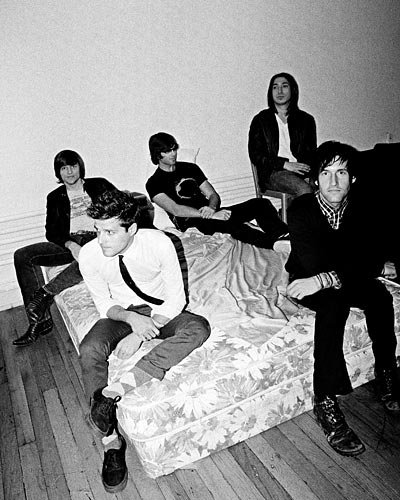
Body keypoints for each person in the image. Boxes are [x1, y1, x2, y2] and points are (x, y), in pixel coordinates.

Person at [79, 189, 210, 493]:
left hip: (161, 312)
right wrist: (130, 320)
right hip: (121, 314)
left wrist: (141, 334)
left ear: (132, 229)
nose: (101, 240)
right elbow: (103, 304)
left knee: (198, 328)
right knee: (90, 348)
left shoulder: (159, 243)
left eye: (110, 232)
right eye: (98, 230)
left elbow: (176, 299)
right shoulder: (89, 254)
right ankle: (111, 441)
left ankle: (114, 392)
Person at [285, 140, 400, 457]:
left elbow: (371, 256)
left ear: (353, 178)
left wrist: (334, 275)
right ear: (315, 179)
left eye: (342, 172)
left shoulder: (363, 207)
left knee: (379, 297)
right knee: (333, 305)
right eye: (326, 173)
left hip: (330, 279)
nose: (334, 181)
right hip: (306, 281)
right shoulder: (301, 210)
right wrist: (347, 270)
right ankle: (324, 399)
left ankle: (386, 374)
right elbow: (313, 262)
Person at [13, 150, 116, 346]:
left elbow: (121, 208)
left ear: (80, 167)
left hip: (98, 237)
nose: (69, 172)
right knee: (22, 255)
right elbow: (51, 232)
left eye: (73, 166)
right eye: (64, 168)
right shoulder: (55, 197)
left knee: (90, 257)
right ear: (58, 172)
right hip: (71, 241)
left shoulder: (100, 185)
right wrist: (71, 245)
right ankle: (40, 322)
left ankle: (45, 294)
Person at [146, 132, 288, 249]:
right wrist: (210, 215)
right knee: (233, 226)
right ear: (157, 154)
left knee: (260, 204)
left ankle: (284, 236)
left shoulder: (190, 168)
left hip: (212, 212)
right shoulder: (153, 183)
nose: (173, 154)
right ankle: (273, 244)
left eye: (174, 149)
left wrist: (212, 208)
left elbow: (212, 194)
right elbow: (176, 210)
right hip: (191, 222)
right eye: (167, 151)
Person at [248, 72, 317, 197]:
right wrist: (284, 164)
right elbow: (256, 155)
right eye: (275, 87)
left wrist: (308, 174)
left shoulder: (306, 120)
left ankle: (294, 209)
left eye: (284, 86)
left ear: (293, 90)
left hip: (301, 170)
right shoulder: (261, 120)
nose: (279, 91)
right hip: (274, 172)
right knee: (304, 189)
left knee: (327, 185)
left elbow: (311, 152)